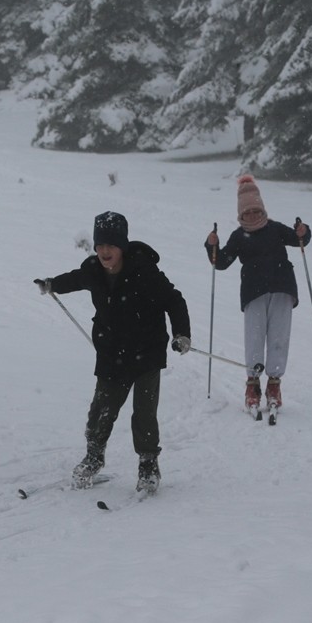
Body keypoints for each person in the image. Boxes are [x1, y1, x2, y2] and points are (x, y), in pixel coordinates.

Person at [34, 211, 191, 494]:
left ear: (122, 246)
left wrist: (182, 334)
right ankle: (94, 457)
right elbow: (74, 279)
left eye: (112, 245)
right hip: (112, 352)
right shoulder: (94, 270)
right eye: (100, 245)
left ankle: (148, 465)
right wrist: (51, 284)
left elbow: (174, 300)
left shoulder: (144, 270)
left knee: (144, 413)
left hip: (146, 351)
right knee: (101, 410)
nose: (105, 251)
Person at [205, 175, 311, 413]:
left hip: (283, 288)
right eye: (247, 213)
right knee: (254, 337)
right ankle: (252, 385)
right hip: (254, 292)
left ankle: (274, 384)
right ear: (240, 215)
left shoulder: (275, 229)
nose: (252, 216)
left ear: (263, 210)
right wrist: (212, 245)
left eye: (256, 211)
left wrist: (303, 231)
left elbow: (299, 240)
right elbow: (221, 262)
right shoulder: (238, 236)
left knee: (279, 337)